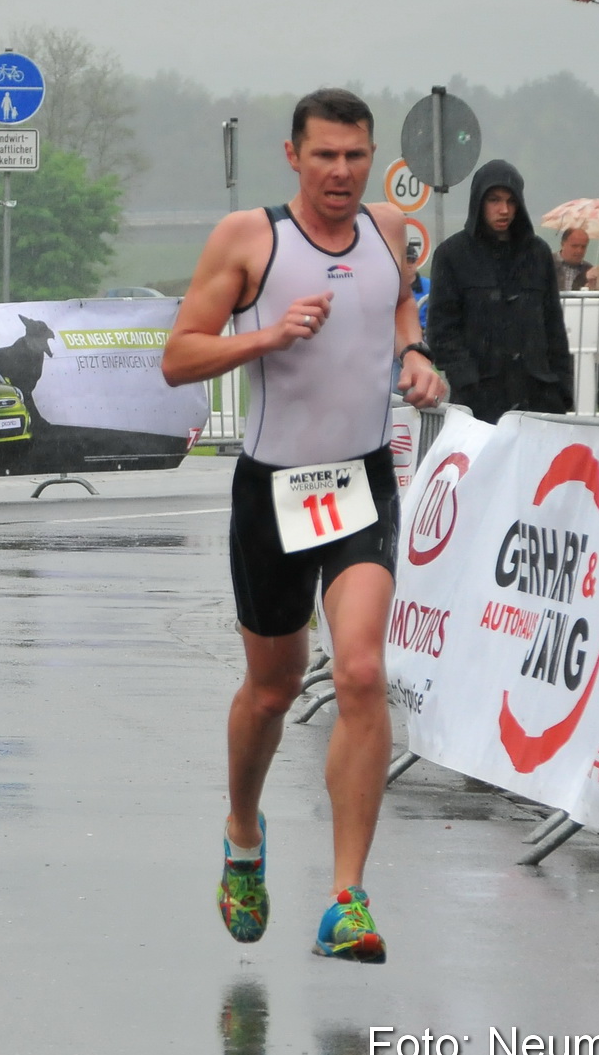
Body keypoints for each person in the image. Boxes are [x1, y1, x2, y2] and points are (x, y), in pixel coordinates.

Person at [161, 88, 445, 963]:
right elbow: (178, 357)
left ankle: (345, 900)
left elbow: (398, 304)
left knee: (361, 671)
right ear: (292, 157)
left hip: (360, 480)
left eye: (354, 156)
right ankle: (242, 834)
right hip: (273, 490)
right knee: (274, 690)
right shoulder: (249, 239)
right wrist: (265, 337)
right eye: (323, 156)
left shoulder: (391, 229)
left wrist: (413, 353)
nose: (340, 173)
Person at [426, 160, 574, 423]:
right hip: (479, 402)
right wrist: (467, 379)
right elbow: (441, 330)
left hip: (539, 398)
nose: (503, 209)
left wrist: (562, 389)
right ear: (478, 202)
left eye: (511, 201)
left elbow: (554, 328)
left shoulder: (538, 254)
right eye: (494, 200)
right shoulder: (452, 255)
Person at [554, 227, 592, 291]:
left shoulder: (589, 271)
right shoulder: (546, 264)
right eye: (575, 246)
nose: (579, 251)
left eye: (583, 247)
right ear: (562, 245)